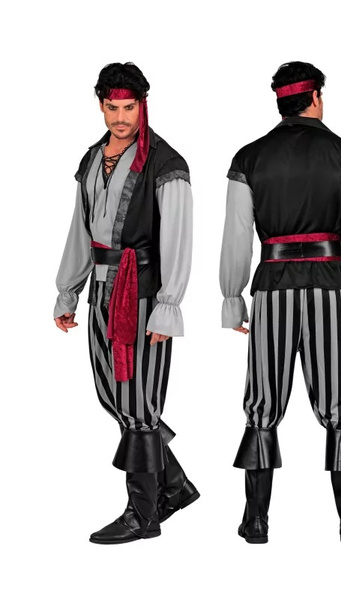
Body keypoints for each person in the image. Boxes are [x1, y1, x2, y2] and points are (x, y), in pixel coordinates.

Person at [219, 61, 341, 544]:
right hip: (328, 288)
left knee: (263, 404)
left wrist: (232, 298)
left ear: (280, 102)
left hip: (272, 290)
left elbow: (236, 237)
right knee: (340, 402)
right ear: (315, 97)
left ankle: (256, 521)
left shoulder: (249, 157)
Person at [53, 62, 199, 544]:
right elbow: (81, 230)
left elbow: (177, 239)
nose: (120, 118)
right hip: (101, 290)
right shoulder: (92, 158)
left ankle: (143, 514)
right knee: (113, 398)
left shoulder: (166, 162)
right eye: (112, 108)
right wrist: (68, 291)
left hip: (142, 294)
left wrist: (167, 306)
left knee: (138, 402)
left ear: (143, 105)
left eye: (129, 107)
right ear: (101, 106)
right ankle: (174, 487)